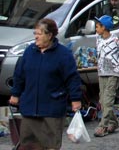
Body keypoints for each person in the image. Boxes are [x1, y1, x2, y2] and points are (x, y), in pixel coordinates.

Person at [9, 18, 82, 149]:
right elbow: (19, 75)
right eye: (35, 34)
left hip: (52, 109)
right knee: (28, 145)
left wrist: (75, 99)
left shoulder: (63, 54)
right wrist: (15, 94)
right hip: (30, 108)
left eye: (39, 34)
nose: (35, 37)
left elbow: (72, 78)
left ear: (49, 35)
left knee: (50, 146)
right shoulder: (29, 51)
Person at [94, 15, 119, 137]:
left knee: (108, 100)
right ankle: (114, 122)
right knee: (102, 100)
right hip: (102, 72)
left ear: (104, 28)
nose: (96, 28)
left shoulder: (116, 41)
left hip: (113, 73)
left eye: (98, 26)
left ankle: (103, 126)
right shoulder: (98, 39)